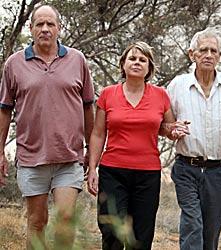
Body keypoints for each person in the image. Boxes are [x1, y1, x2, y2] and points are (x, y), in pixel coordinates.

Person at [0, 4, 94, 249]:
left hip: (69, 157)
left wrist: (91, 152)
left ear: (59, 28)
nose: (45, 29)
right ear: (30, 28)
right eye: (39, 24)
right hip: (31, 158)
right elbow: (5, 110)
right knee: (36, 222)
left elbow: (88, 107)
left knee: (65, 220)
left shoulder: (77, 60)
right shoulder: (14, 64)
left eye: (50, 24)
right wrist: (0, 151)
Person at [87, 41, 188, 250]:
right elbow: (98, 134)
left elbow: (166, 128)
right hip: (113, 172)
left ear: (149, 68)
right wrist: (92, 168)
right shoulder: (107, 94)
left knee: (141, 236)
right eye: (132, 58)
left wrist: (174, 131)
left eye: (143, 60)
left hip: (147, 175)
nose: (137, 63)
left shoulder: (160, 95)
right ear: (123, 63)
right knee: (112, 233)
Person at [167, 28, 221, 250]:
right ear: (192, 54)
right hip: (187, 167)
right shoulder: (178, 85)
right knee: (192, 224)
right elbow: (163, 123)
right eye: (203, 50)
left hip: (219, 171)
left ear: (219, 56)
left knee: (211, 233)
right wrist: (171, 129)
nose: (208, 55)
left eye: (213, 51)